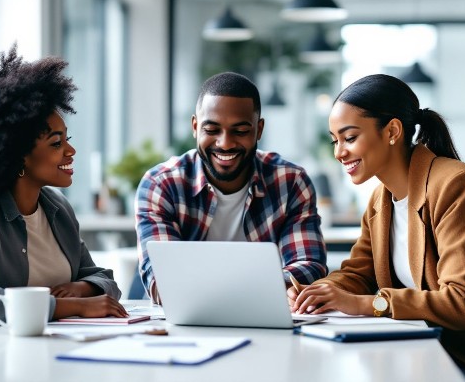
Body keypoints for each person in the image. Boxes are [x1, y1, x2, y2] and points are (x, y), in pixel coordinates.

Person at [289, 74, 465, 379]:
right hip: (428, 352)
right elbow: (358, 274)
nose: (339, 152)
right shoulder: (381, 200)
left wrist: (367, 304)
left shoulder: (458, 186)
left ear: (392, 131)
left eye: (349, 138)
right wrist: (318, 292)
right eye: (335, 140)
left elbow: (463, 303)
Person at [0, 43, 127, 352]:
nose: (71, 151)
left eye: (66, 139)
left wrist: (81, 288)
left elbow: (103, 279)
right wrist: (72, 306)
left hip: (40, 355)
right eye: (56, 143)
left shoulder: (57, 207)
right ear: (17, 154)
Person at [136, 72, 327, 304]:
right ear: (195, 127)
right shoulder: (161, 184)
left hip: (263, 319)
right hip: (189, 324)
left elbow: (309, 266)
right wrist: (265, 286)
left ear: (259, 129)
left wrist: (210, 288)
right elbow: (164, 280)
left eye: (240, 131)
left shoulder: (291, 182)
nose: (225, 143)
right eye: (212, 130)